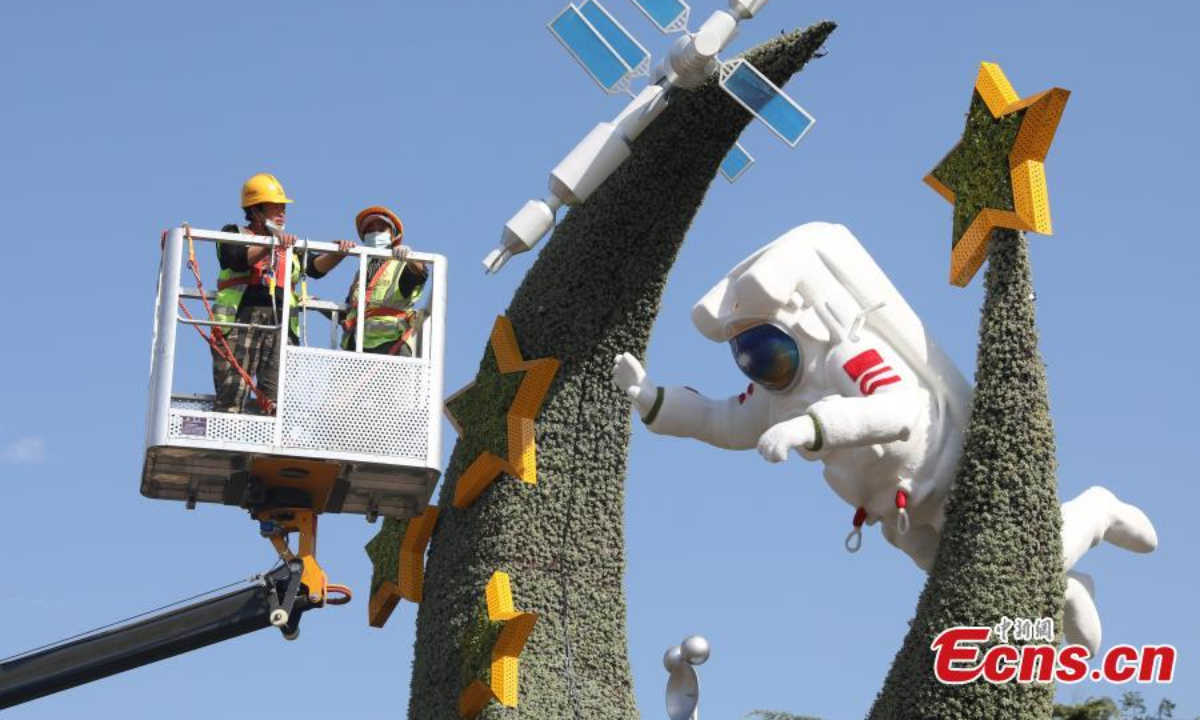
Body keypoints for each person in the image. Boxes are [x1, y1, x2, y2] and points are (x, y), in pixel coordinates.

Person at [211, 173, 355, 413]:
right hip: (240, 321)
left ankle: (267, 446)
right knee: (232, 391)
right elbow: (237, 259)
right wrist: (272, 242)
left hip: (281, 325)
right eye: (275, 208)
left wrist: (338, 253)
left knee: (276, 398)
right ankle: (229, 440)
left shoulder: (288, 246)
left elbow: (314, 268)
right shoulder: (233, 232)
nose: (282, 214)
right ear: (256, 211)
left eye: (283, 209)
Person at [340, 206, 428, 356]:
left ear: (393, 236)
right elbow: (350, 311)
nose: (375, 233)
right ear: (363, 237)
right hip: (358, 345)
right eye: (370, 230)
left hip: (392, 343)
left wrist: (411, 257)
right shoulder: (361, 272)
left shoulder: (400, 264)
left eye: (381, 229)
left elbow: (420, 273)